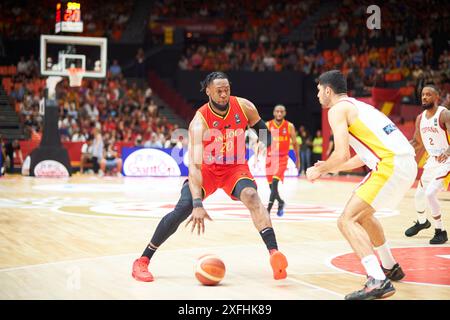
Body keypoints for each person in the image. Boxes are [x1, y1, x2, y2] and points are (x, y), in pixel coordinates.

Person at [132, 71, 288, 282]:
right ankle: (143, 260)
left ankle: (274, 254)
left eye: (227, 90)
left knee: (251, 195)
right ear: (208, 92)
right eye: (219, 91)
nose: (224, 94)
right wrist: (197, 203)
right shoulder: (199, 121)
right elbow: (194, 167)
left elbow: (263, 130)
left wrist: (265, 143)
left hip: (235, 167)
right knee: (183, 208)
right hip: (207, 169)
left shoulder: (244, 107)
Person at [306, 70, 417, 300]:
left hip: (390, 164)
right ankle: (390, 266)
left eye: (318, 90)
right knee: (364, 216)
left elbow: (341, 153)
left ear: (328, 90)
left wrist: (319, 169)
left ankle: (377, 280)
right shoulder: (360, 107)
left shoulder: (337, 109)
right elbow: (359, 158)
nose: (317, 95)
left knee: (346, 220)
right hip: (403, 162)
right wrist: (328, 166)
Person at [405, 85, 448, 244]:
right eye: (423, 94)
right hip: (432, 161)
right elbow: (417, 142)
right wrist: (401, 148)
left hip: (447, 160)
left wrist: (447, 152)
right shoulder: (420, 118)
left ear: (437, 97)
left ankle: (440, 231)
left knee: (430, 194)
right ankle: (422, 222)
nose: (424, 97)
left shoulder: (444, 114)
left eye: (428, 95)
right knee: (419, 195)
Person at [263, 104, 300, 216]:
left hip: (283, 158)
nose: (279, 113)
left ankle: (267, 210)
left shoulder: (289, 126)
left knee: (275, 182)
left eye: (281, 111)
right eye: (277, 111)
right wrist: (256, 156)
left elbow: (295, 143)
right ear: (274, 112)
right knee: (271, 187)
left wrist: (298, 160)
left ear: (284, 113)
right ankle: (281, 202)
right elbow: (261, 142)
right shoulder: (267, 125)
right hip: (270, 158)